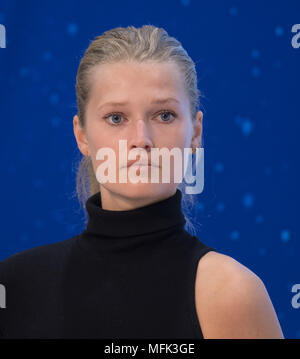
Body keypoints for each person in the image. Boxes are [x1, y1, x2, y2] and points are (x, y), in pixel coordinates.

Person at [0, 25, 284, 339]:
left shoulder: (232, 294)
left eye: (164, 115)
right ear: (82, 135)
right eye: (116, 118)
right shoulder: (15, 285)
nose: (141, 140)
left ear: (196, 132)